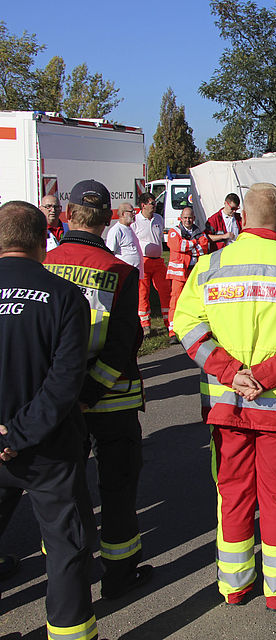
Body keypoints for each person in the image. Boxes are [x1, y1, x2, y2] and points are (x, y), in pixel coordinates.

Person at [174, 182, 276, 612]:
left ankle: (234, 584)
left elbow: (186, 325)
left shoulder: (210, 265)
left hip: (227, 404)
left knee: (233, 492)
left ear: (241, 215)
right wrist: (265, 376)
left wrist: (232, 373)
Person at [45, 179, 153, 600]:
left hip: (56, 404)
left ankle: (66, 570)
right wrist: (92, 391)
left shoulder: (45, 264)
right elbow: (125, 340)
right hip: (113, 400)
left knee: (63, 490)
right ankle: (120, 573)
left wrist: (65, 397)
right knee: (118, 486)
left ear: (68, 215)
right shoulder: (120, 273)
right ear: (108, 220)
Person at [0, 200, 98, 640]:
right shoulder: (64, 296)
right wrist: (19, 434)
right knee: (64, 546)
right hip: (47, 448)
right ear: (45, 241)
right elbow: (64, 384)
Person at [167, 207, 210, 343]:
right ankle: (173, 332)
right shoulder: (175, 231)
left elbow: (203, 248)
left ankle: (192, 330)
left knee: (195, 301)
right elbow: (177, 246)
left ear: (194, 218)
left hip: (193, 272)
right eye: (185, 217)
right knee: (175, 301)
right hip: (179, 273)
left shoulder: (199, 232)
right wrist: (194, 243)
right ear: (181, 218)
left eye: (190, 218)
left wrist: (189, 245)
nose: (187, 220)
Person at [132, 192, 171, 335]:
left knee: (165, 291)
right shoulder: (135, 221)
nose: (154, 206)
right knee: (143, 293)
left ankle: (169, 322)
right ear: (143, 205)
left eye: (154, 203)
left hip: (158, 261)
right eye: (152, 203)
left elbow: (160, 237)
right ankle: (145, 325)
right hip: (143, 261)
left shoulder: (159, 219)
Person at [105, 202, 144, 274]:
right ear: (123, 214)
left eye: (134, 211)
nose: (134, 214)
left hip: (134, 273)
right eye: (131, 212)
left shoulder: (130, 228)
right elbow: (110, 253)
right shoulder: (117, 230)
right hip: (124, 273)